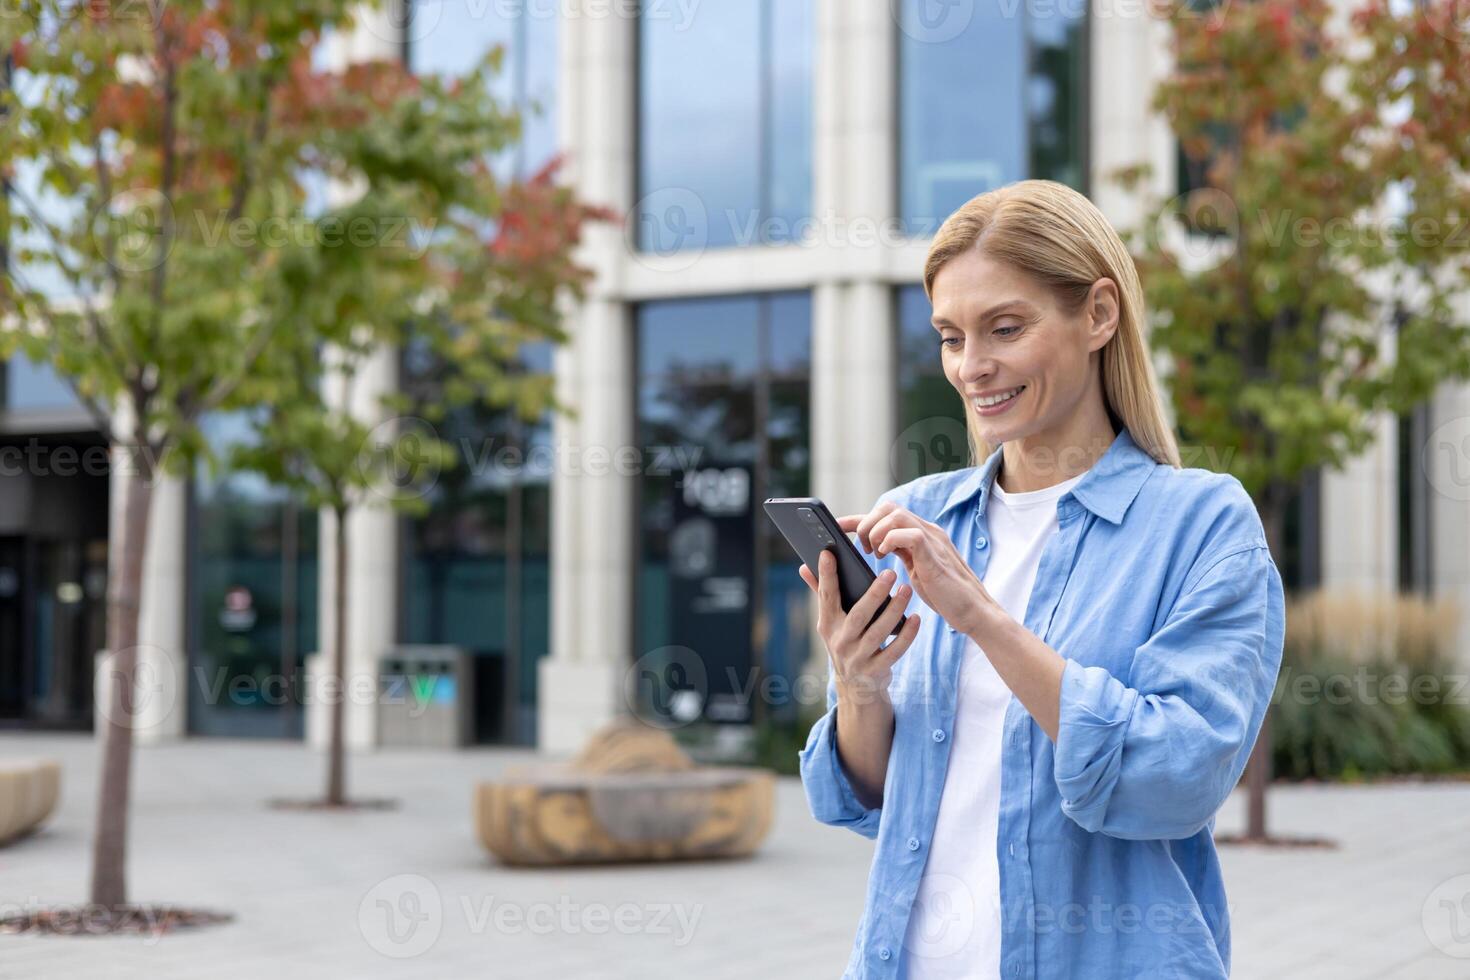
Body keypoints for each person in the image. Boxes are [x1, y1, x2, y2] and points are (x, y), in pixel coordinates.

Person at [796, 179, 1285, 979]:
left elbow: (1179, 776)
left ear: (1098, 314)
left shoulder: (1201, 524)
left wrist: (982, 618)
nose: (972, 366)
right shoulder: (916, 517)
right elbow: (864, 799)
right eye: (951, 337)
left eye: (1006, 328)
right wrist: (858, 684)